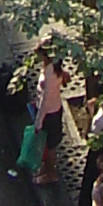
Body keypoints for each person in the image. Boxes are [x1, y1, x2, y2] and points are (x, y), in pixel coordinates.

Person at [35, 52, 65, 186]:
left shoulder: (50, 73)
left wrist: (38, 122)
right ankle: (46, 169)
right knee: (47, 144)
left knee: (49, 145)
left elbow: (45, 100)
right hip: (53, 109)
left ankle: (51, 173)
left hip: (49, 113)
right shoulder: (51, 68)